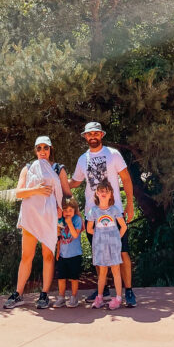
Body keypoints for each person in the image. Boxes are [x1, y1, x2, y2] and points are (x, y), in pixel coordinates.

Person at [70, 121, 137, 308]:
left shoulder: (113, 154)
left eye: (96, 133)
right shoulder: (82, 159)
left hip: (113, 212)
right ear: (85, 137)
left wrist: (130, 204)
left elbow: (126, 178)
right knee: (98, 254)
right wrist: (55, 183)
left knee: (122, 252)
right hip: (93, 214)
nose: (92, 137)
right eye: (89, 134)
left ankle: (129, 290)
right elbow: (74, 182)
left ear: (101, 135)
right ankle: (104, 290)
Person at [3, 136, 63, 310]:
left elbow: (64, 193)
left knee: (48, 256)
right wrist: (37, 190)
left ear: (51, 149)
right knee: (26, 256)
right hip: (30, 217)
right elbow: (19, 193)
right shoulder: (28, 168)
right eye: (39, 148)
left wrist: (62, 208)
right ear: (35, 150)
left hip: (49, 218)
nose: (42, 151)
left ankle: (44, 294)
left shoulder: (57, 169)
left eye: (46, 147)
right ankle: (18, 294)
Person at [87, 181, 127, 309]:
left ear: (111, 194)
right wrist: (100, 237)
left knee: (116, 270)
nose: (104, 193)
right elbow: (89, 229)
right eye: (101, 191)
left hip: (113, 246)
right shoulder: (93, 211)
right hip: (100, 246)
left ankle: (119, 298)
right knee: (102, 272)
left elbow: (124, 227)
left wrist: (116, 238)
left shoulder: (114, 209)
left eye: (107, 191)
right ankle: (99, 297)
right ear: (97, 193)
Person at [52, 196, 84, 308]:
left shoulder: (77, 220)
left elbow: (75, 235)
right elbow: (59, 237)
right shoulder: (61, 220)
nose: (68, 213)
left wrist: (69, 223)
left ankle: (74, 297)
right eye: (65, 210)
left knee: (74, 277)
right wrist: (57, 251)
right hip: (62, 255)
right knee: (61, 277)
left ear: (75, 210)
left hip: (75, 254)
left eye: (70, 210)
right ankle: (61, 297)